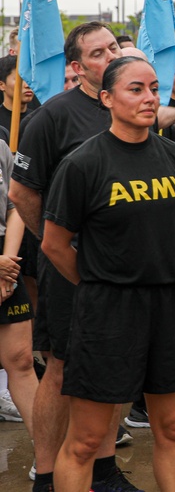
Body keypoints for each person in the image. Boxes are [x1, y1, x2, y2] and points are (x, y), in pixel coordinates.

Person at [41, 57, 175, 492]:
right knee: (87, 440)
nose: (149, 97)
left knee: (173, 430)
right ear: (107, 98)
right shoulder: (82, 164)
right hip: (107, 311)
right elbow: (54, 244)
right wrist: (100, 283)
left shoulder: (174, 159)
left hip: (168, 306)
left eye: (153, 88)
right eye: (135, 89)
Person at [10, 23, 151, 492]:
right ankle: (46, 474)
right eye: (97, 52)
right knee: (62, 368)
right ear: (76, 67)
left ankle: (105, 469)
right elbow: (22, 192)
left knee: (112, 367)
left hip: (123, 274)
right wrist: (59, 248)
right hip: (69, 271)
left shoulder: (132, 112)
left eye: (114, 46)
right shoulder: (52, 117)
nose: (110, 55)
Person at [0, 133, 39, 453]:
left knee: (22, 360)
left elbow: (15, 205)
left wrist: (8, 264)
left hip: (5, 261)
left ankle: (47, 458)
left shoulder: (0, 146)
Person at [0, 55, 40, 135]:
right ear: (2, 85)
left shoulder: (39, 119)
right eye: (20, 80)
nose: (27, 85)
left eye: (30, 78)